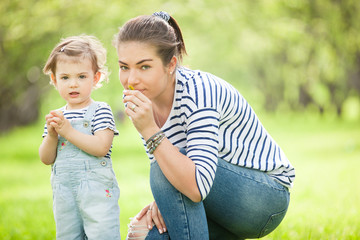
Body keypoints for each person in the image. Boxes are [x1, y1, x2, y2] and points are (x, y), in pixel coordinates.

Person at [115, 11, 295, 240]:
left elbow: (196, 185)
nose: (131, 80)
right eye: (124, 67)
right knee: (152, 236)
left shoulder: (199, 91)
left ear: (170, 64)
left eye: (144, 67)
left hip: (264, 198)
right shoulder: (141, 100)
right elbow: (170, 167)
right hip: (211, 191)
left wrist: (150, 129)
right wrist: (161, 204)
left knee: (161, 167)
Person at [39, 35, 120, 240]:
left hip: (96, 191)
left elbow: (101, 147)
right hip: (64, 192)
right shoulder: (56, 117)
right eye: (65, 78)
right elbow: (47, 158)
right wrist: (51, 135)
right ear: (55, 80)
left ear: (96, 78)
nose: (73, 84)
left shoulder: (100, 110)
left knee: (102, 233)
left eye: (81, 77)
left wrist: (68, 132)